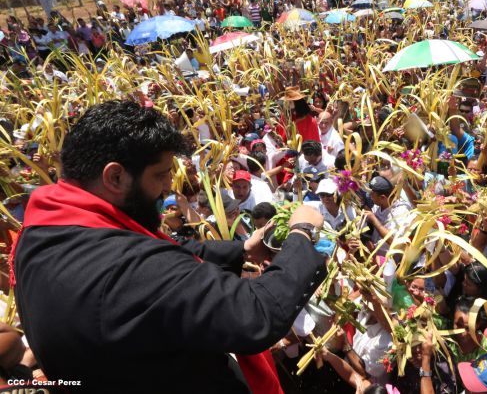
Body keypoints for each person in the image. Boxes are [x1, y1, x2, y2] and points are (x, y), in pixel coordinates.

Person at [12, 100, 328, 392]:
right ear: (116, 177)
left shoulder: (42, 230)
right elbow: (255, 314)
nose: (167, 187)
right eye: (160, 175)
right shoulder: (126, 268)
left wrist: (243, 249)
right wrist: (301, 234)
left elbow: (166, 251)